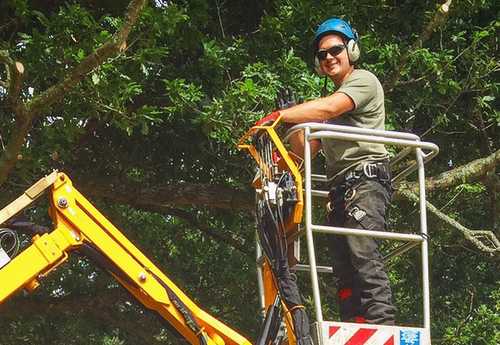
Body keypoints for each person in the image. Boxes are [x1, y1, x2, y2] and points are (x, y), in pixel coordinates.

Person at [256, 17, 396, 325]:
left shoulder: (362, 82)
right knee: (342, 265)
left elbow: (329, 108)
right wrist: (291, 123)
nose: (329, 57)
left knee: (362, 250)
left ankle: (380, 323)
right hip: (341, 189)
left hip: (366, 180)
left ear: (352, 51)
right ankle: (353, 321)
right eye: (323, 54)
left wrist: (281, 115)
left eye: (335, 49)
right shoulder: (329, 103)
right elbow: (303, 149)